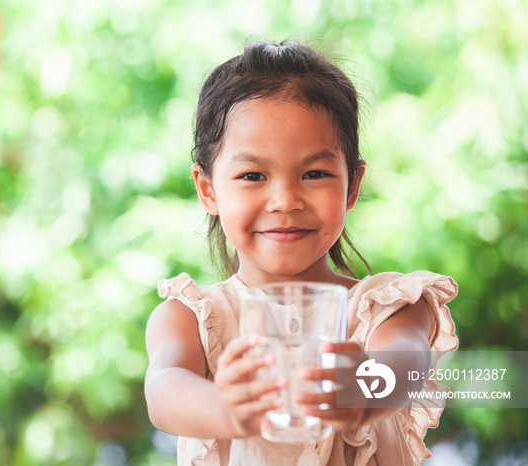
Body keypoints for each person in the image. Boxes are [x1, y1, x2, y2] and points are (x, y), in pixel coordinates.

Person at [144, 40, 458, 465]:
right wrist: (226, 409)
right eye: (253, 175)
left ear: (352, 185)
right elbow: (164, 392)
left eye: (315, 173)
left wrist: (362, 391)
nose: (285, 200)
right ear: (208, 189)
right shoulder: (190, 319)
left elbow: (405, 362)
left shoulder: (386, 309)